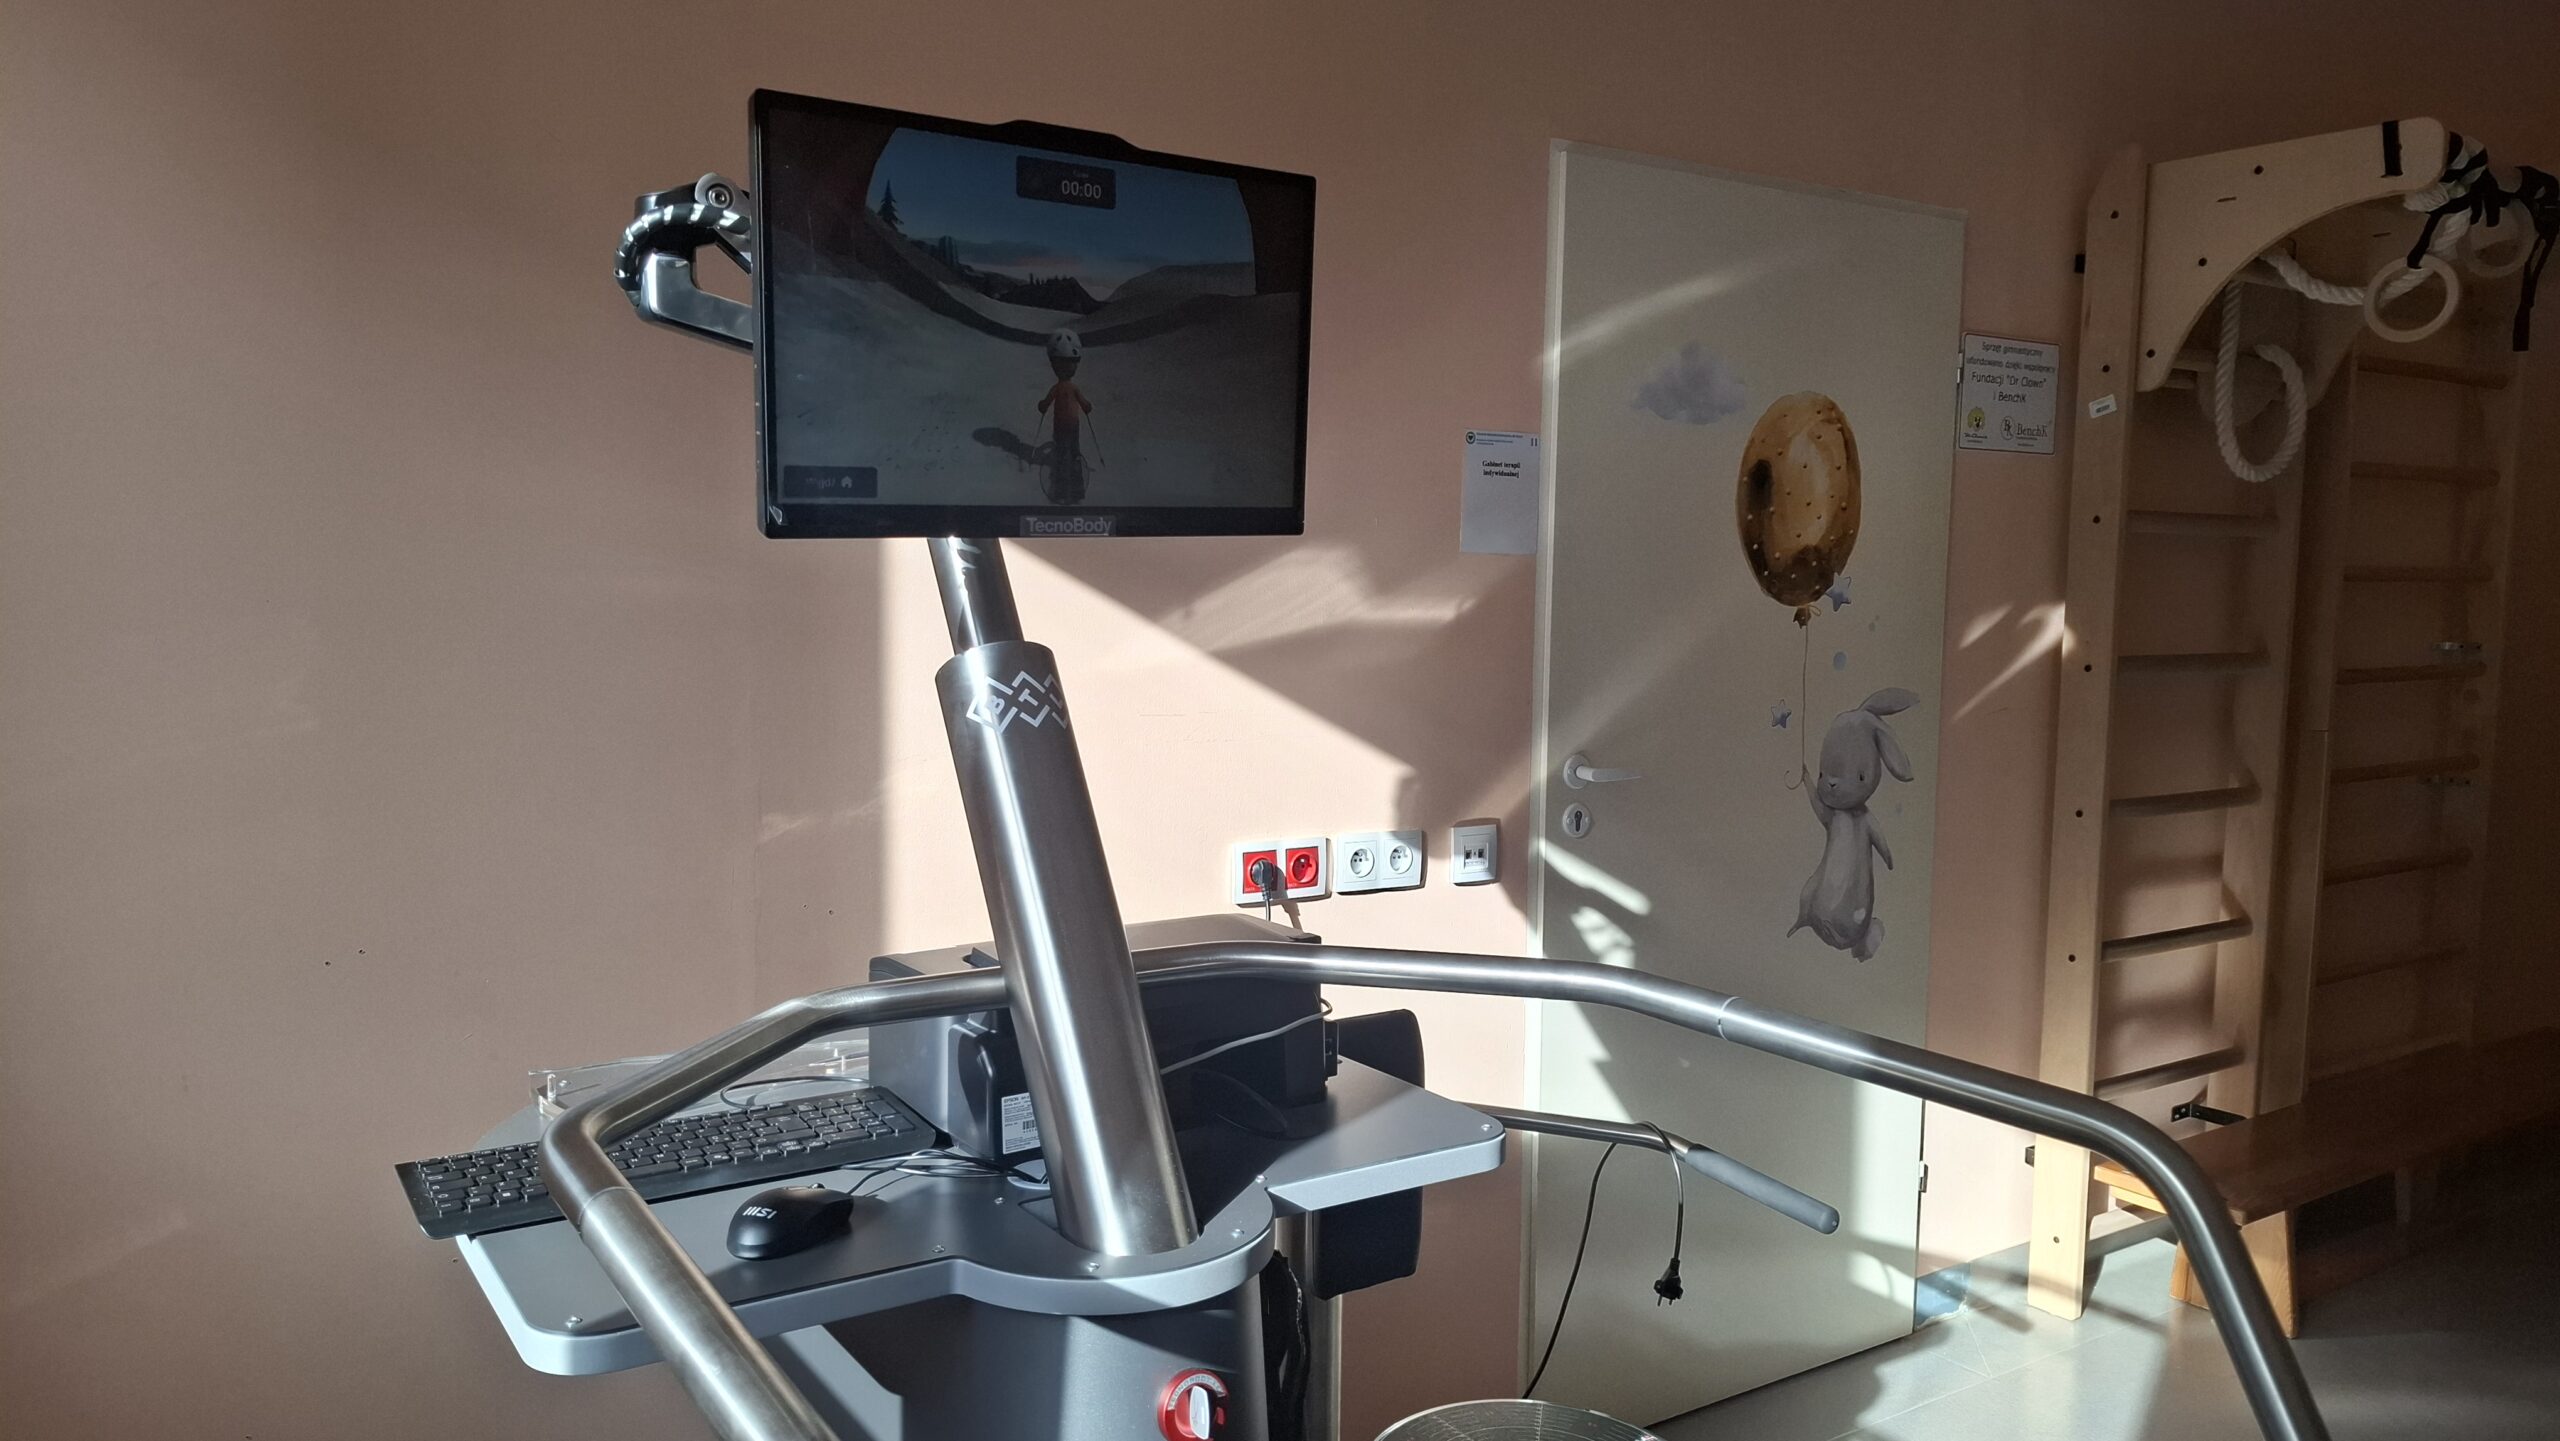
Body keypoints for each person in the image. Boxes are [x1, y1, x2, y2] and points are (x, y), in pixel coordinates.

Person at [1035, 329, 1100, 503]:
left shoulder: (1060, 387)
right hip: (1071, 425)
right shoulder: (1071, 387)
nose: (1065, 367)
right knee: (1072, 452)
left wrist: (1042, 406)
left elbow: (1047, 402)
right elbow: (1083, 403)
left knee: (1063, 453)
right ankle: (1075, 489)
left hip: (1062, 426)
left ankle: (1062, 488)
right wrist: (1087, 407)